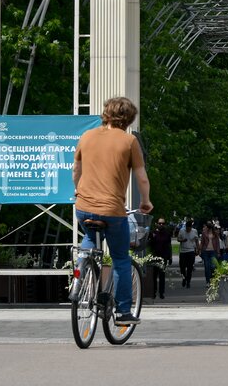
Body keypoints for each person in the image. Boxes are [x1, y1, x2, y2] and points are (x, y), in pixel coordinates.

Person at [72, 96, 152, 325]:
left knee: (89, 238)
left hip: (83, 207)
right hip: (112, 211)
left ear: (106, 113)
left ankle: (81, 272)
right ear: (129, 119)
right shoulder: (129, 141)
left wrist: (77, 190)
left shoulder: (86, 136)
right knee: (120, 259)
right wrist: (145, 201)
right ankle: (123, 312)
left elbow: (76, 169)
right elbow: (141, 177)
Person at [149, 217, 174, 299]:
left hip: (163, 257)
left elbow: (169, 245)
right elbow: (149, 244)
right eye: (160, 223)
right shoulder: (153, 233)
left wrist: (170, 257)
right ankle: (153, 292)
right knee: (154, 276)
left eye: (163, 223)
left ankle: (161, 292)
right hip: (155, 257)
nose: (161, 225)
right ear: (157, 224)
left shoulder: (167, 234)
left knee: (162, 276)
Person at [177, 218, 199, 287]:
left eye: (189, 229)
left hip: (191, 251)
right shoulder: (182, 231)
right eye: (187, 228)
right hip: (183, 251)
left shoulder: (194, 231)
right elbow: (178, 239)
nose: (188, 230)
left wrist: (198, 249)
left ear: (191, 227)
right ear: (185, 227)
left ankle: (188, 281)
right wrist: (182, 240)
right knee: (182, 267)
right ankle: (184, 278)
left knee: (190, 267)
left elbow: (197, 241)